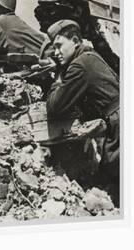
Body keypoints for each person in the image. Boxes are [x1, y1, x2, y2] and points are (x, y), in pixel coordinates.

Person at [46, 19, 119, 195]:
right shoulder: (89, 56)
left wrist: (57, 79)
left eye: (59, 45)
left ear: (76, 41)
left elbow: (55, 106)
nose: (56, 52)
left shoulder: (79, 65)